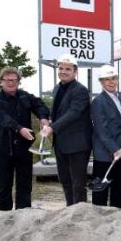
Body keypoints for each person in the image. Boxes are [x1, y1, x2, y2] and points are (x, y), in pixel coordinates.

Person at [0, 67, 50, 211]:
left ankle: (23, 217)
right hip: (3, 148)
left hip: (24, 148)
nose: (11, 83)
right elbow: (1, 118)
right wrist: (18, 128)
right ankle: (3, 218)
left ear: (18, 82)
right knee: (4, 186)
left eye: (14, 80)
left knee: (25, 185)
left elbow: (39, 104)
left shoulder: (25, 97)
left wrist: (44, 118)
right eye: (8, 80)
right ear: (1, 82)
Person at [42, 53, 92, 206]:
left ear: (75, 72)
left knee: (78, 183)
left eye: (68, 69)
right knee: (65, 180)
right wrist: (49, 120)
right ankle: (70, 210)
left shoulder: (80, 90)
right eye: (61, 68)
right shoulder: (58, 87)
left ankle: (80, 214)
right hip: (61, 142)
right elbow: (59, 111)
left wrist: (52, 127)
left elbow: (74, 113)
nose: (63, 71)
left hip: (77, 144)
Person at [91, 65, 121, 208]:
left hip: (119, 151)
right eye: (106, 80)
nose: (111, 82)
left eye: (113, 78)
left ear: (117, 79)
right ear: (101, 82)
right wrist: (115, 149)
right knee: (101, 191)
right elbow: (101, 131)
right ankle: (98, 219)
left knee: (117, 188)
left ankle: (117, 216)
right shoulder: (98, 102)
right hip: (104, 154)